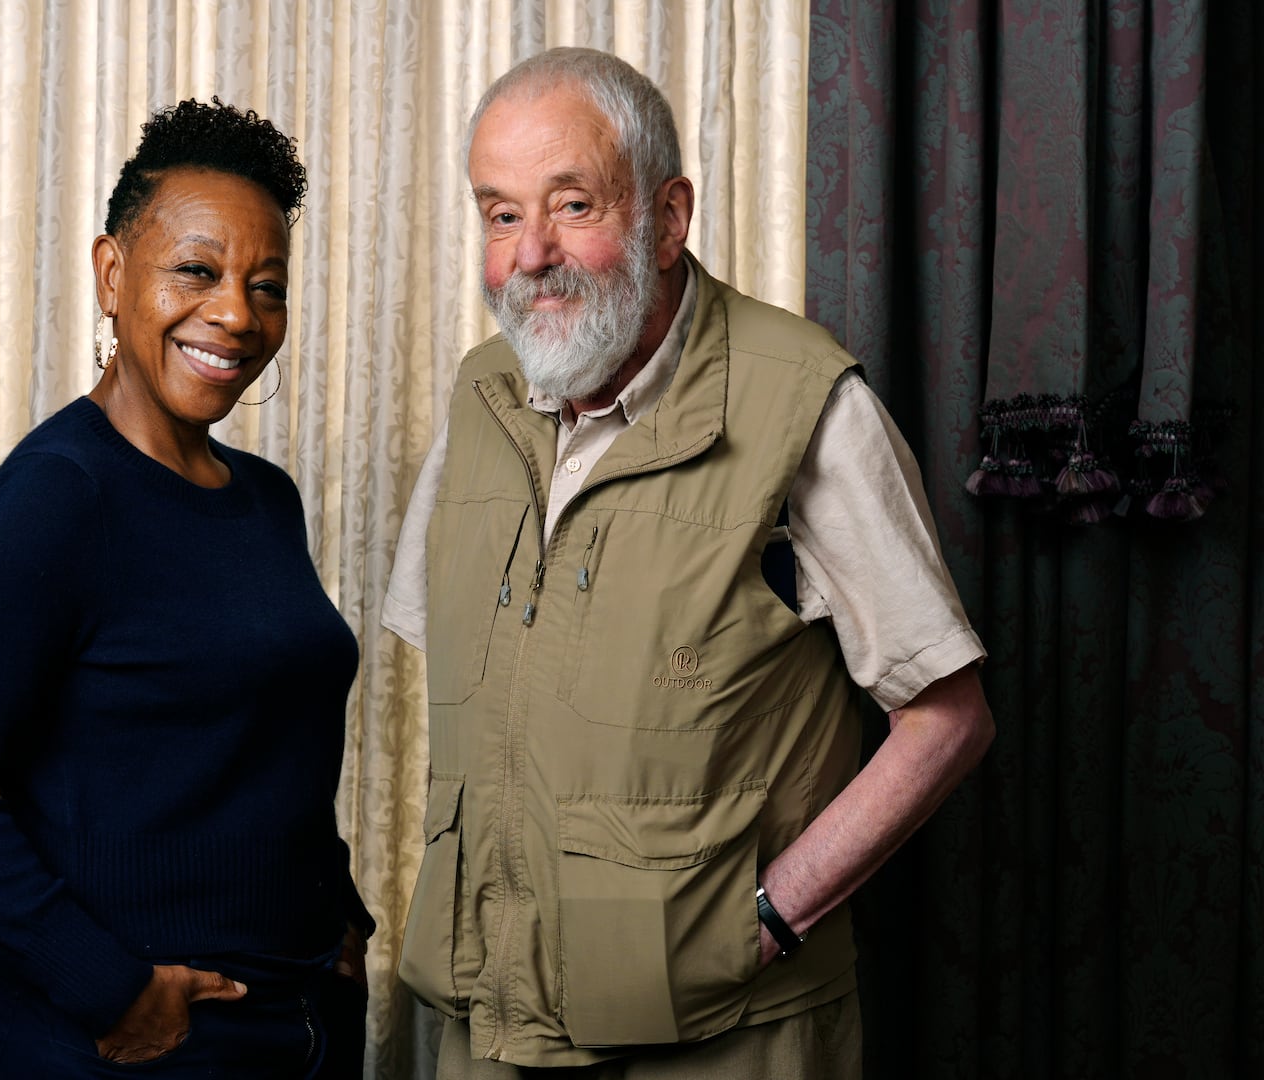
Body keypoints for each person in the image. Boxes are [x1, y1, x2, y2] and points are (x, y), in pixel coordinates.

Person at [382, 48, 994, 1076]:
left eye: (572, 204)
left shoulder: (807, 404)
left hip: (725, 1034)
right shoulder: (479, 399)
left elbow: (946, 720)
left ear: (670, 217)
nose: (529, 254)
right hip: (486, 1028)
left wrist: (762, 921)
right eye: (498, 214)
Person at [0, 98, 372, 1077]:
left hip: (296, 1029)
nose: (234, 312)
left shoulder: (265, 500)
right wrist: (107, 986)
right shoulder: (57, 499)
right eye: (197, 269)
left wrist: (340, 917)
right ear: (112, 273)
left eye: (265, 286)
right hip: (128, 1046)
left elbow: (267, 748)